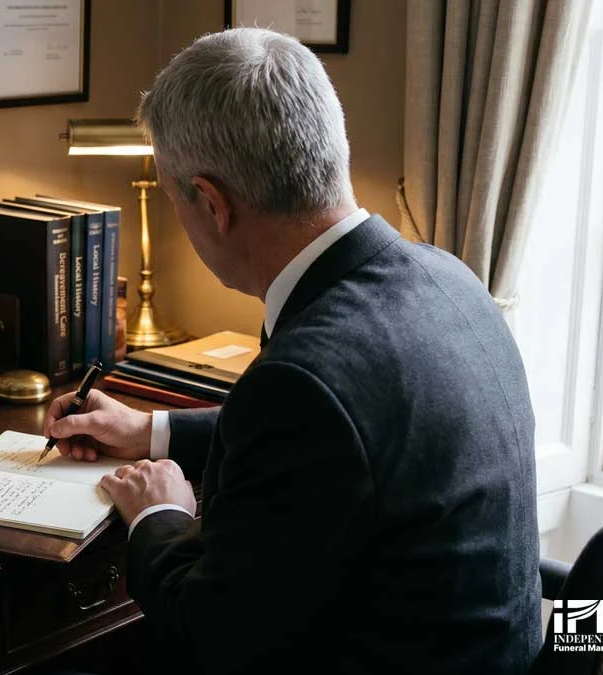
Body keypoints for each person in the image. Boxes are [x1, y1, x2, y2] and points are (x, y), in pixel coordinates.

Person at [44, 27, 540, 675]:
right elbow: (344, 437)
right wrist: (151, 431)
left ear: (213, 204)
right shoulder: (453, 279)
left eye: (174, 199)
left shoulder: (304, 382)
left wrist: (159, 512)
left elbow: (208, 641)